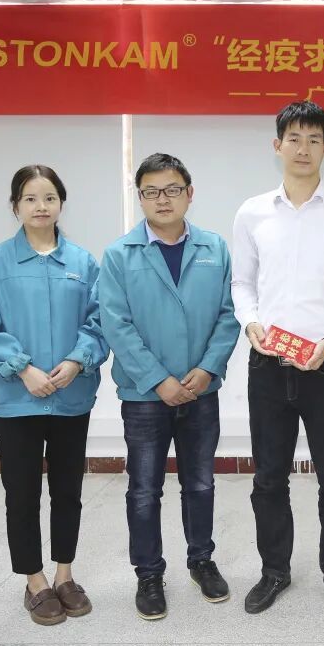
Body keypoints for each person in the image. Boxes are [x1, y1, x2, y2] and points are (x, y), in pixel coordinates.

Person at [232, 101, 324, 614]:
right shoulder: (252, 212)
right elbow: (242, 282)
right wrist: (250, 321)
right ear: (277, 146)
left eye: (314, 139)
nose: (303, 148)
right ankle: (274, 570)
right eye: (294, 138)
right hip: (268, 365)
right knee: (269, 477)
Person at [98, 152, 240, 621]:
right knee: (144, 489)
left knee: (200, 482)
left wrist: (208, 369)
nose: (163, 199)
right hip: (145, 396)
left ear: (189, 193)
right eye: (152, 192)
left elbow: (229, 314)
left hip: (201, 390)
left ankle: (201, 560)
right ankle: (149, 574)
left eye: (172, 189)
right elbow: (116, 324)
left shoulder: (215, 248)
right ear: (139, 197)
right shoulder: (119, 255)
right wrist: (158, 379)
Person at [0, 165, 108, 626]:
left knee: (68, 491)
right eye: (30, 198)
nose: (40, 206)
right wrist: (22, 369)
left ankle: (65, 575)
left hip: (71, 397)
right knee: (22, 493)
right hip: (17, 399)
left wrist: (77, 361)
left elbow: (99, 322)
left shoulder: (83, 263)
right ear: (15, 206)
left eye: (49, 197)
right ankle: (34, 580)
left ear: (61, 204)